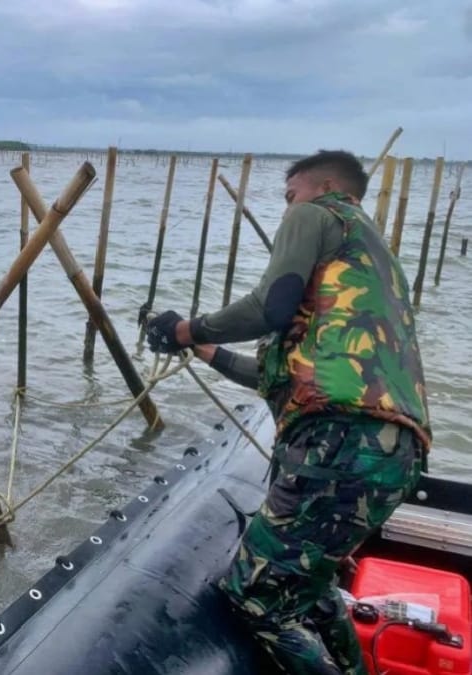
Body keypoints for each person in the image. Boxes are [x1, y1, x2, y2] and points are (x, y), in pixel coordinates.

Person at [145, 150, 430, 675]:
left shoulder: (316, 212)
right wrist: (202, 349)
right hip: (395, 453)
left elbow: (268, 308)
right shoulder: (372, 269)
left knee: (255, 598)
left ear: (324, 186)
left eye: (290, 195)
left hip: (337, 443)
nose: (287, 208)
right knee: (311, 587)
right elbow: (278, 377)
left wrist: (183, 329)